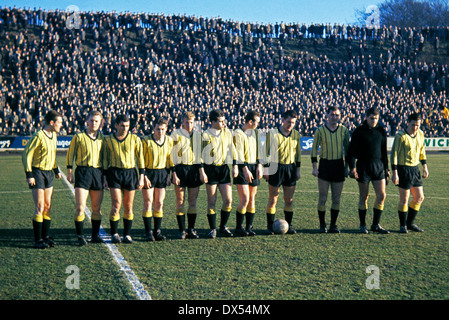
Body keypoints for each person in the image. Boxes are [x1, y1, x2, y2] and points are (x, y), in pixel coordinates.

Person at [22, 110, 63, 249]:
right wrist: (29, 174)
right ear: (52, 123)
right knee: (39, 206)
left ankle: (45, 236)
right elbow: (27, 154)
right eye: (59, 123)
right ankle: (38, 240)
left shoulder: (54, 135)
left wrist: (56, 169)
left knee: (47, 205)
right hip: (37, 172)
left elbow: (52, 156)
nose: (61, 125)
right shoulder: (38, 135)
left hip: (49, 173)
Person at [347, 107, 390, 234]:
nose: (374, 121)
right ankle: (362, 225)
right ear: (366, 117)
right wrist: (352, 168)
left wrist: (386, 168)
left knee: (382, 195)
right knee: (364, 196)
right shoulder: (359, 131)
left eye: (376, 118)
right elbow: (351, 152)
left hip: (378, 167)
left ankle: (375, 225)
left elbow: (383, 151)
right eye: (372, 118)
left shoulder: (381, 131)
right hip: (363, 167)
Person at [102, 114, 145, 243]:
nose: (125, 128)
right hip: (114, 173)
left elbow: (140, 158)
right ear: (116, 125)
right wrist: (104, 177)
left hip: (130, 173)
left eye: (127, 126)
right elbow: (105, 159)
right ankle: (114, 233)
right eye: (123, 126)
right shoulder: (108, 140)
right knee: (116, 205)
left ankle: (127, 235)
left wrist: (142, 176)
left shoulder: (135, 139)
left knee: (128, 206)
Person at [66, 110, 105, 245]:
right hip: (83, 172)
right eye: (91, 120)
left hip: (98, 173)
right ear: (87, 121)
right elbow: (70, 154)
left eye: (96, 121)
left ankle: (95, 236)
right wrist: (69, 171)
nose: (93, 123)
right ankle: (80, 236)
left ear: (101, 123)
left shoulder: (102, 138)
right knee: (80, 207)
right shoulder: (79, 136)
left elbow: (105, 158)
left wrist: (105, 176)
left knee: (96, 207)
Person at [311, 106, 350, 233]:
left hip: (338, 165)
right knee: (323, 197)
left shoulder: (343, 130)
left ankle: (333, 225)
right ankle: (322, 225)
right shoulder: (320, 131)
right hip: (325, 165)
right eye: (332, 114)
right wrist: (315, 168)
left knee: (336, 198)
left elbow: (348, 151)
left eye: (337, 115)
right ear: (327, 116)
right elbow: (314, 150)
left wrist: (346, 167)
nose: (334, 117)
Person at [201, 109, 238, 238]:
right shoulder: (205, 135)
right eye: (221, 121)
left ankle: (223, 226)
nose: (224, 124)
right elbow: (200, 155)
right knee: (212, 201)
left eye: (224, 121)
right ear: (213, 122)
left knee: (228, 200)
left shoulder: (227, 133)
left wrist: (235, 166)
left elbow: (232, 150)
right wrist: (202, 171)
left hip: (223, 169)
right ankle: (213, 229)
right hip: (210, 169)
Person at [263, 110, 301, 235]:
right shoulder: (272, 133)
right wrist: (265, 169)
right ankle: (269, 226)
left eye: (293, 123)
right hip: (275, 167)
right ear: (283, 120)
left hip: (290, 168)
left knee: (289, 199)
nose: (290, 124)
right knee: (273, 198)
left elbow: (298, 154)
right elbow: (265, 152)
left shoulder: (295, 134)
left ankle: (289, 226)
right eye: (289, 122)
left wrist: (298, 170)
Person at [391, 113, 429, 233]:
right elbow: (394, 155)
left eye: (417, 125)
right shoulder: (400, 136)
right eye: (413, 125)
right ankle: (403, 225)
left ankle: (410, 223)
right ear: (408, 123)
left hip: (415, 169)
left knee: (419, 197)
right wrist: (395, 172)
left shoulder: (421, 134)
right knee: (404, 199)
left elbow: (422, 151)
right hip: (403, 169)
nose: (415, 127)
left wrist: (425, 167)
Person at [170, 111, 206, 239]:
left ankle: (191, 229)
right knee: (180, 201)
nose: (189, 125)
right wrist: (173, 173)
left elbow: (200, 156)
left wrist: (202, 172)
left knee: (192, 201)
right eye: (187, 122)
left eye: (191, 122)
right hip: (180, 170)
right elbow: (171, 155)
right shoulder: (175, 135)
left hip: (194, 170)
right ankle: (181, 230)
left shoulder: (198, 136)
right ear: (182, 122)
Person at [141, 117, 173, 241]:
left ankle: (157, 231)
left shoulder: (169, 141)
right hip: (149, 173)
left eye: (163, 130)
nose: (160, 132)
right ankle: (148, 232)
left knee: (159, 203)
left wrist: (169, 174)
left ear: (166, 129)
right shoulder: (146, 141)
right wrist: (143, 176)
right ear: (153, 128)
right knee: (148, 202)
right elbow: (141, 160)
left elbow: (170, 158)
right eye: (158, 129)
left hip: (162, 172)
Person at [233, 110, 263, 236]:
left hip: (254, 166)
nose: (258, 125)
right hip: (242, 167)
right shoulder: (238, 133)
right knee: (244, 198)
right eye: (257, 122)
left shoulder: (256, 133)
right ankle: (239, 227)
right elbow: (238, 153)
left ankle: (249, 227)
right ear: (250, 122)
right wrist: (245, 169)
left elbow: (259, 150)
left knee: (252, 199)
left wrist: (260, 165)